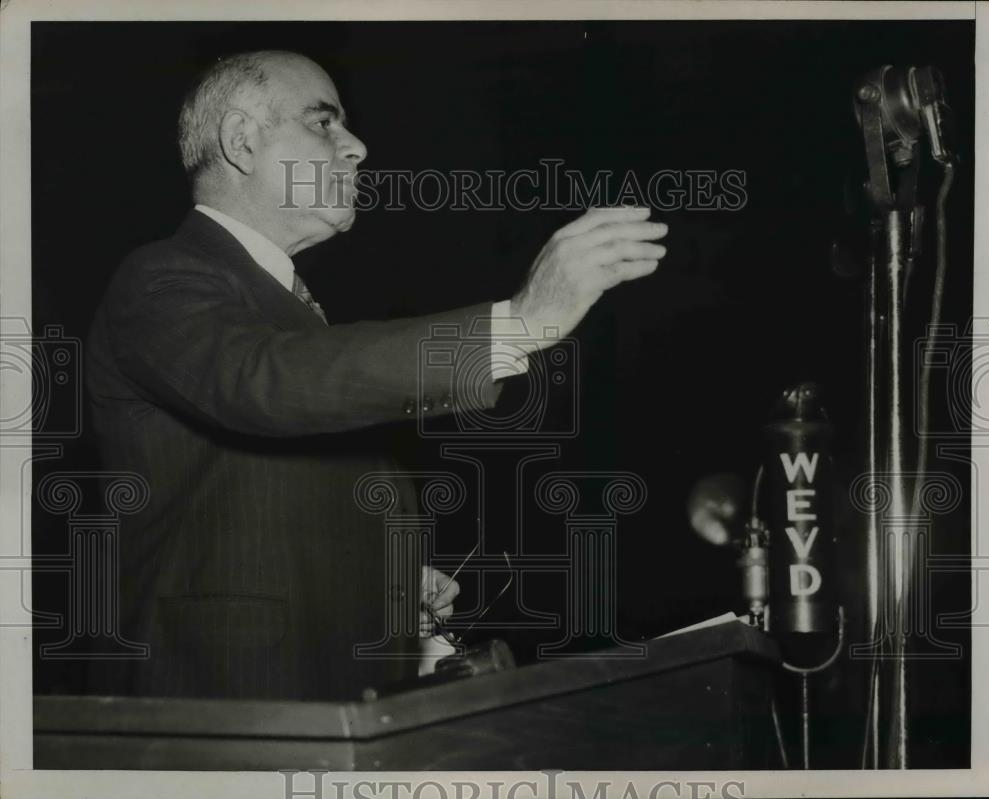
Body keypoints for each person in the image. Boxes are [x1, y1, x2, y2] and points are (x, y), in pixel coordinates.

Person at [85, 50, 668, 701]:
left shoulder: (291, 308)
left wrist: (387, 577)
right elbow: (267, 383)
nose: (357, 146)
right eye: (324, 123)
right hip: (223, 701)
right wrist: (522, 321)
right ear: (242, 140)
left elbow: (281, 465)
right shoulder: (159, 278)